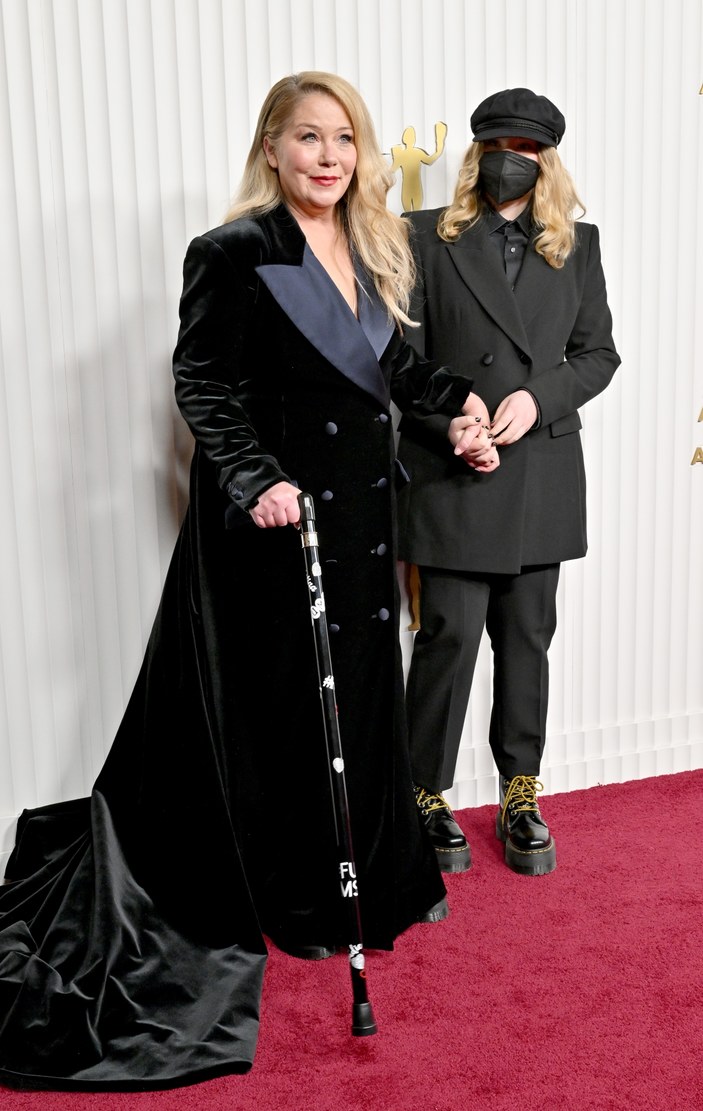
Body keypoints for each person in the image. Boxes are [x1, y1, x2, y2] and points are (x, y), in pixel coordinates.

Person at [0, 72, 474, 1091]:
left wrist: (459, 405)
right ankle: (291, 897)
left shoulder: (377, 248)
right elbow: (202, 381)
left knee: (358, 702)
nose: (326, 156)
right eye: (306, 137)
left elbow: (392, 372)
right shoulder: (231, 253)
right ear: (271, 147)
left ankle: (370, 883)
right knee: (286, 714)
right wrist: (254, 476)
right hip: (269, 533)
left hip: (355, 530)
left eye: (342, 138)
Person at [397, 88, 620, 877]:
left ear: (545, 159)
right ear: (476, 152)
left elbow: (597, 354)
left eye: (525, 148)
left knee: (525, 640)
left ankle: (519, 792)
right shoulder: (422, 237)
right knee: (448, 637)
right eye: (497, 144)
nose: (509, 160)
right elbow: (400, 362)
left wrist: (536, 396)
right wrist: (452, 423)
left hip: (541, 469)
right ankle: (422, 795)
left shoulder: (576, 244)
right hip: (454, 467)